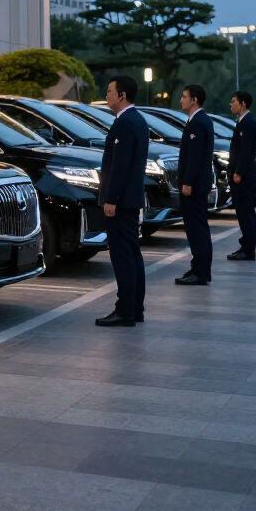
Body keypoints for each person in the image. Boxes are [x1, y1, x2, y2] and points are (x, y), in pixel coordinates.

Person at [95, 74, 149, 327]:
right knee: (132, 254)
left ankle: (125, 309)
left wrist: (111, 198)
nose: (107, 95)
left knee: (123, 256)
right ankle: (135, 307)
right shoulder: (137, 120)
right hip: (130, 199)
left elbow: (120, 166)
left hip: (122, 201)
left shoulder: (125, 123)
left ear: (122, 95)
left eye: (109, 91)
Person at [175, 84, 215, 285]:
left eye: (184, 97)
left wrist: (188, 182)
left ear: (194, 100)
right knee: (196, 228)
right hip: (196, 183)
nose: (181, 100)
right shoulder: (196, 121)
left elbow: (195, 157)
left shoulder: (199, 122)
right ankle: (199, 268)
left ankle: (200, 271)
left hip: (195, 185)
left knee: (196, 228)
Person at [227, 91, 256, 260]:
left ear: (243, 104)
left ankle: (248, 249)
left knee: (246, 213)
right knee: (243, 213)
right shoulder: (242, 122)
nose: (231, 104)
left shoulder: (249, 123)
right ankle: (246, 246)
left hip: (244, 177)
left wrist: (238, 172)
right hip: (239, 176)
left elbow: (246, 152)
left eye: (234, 101)